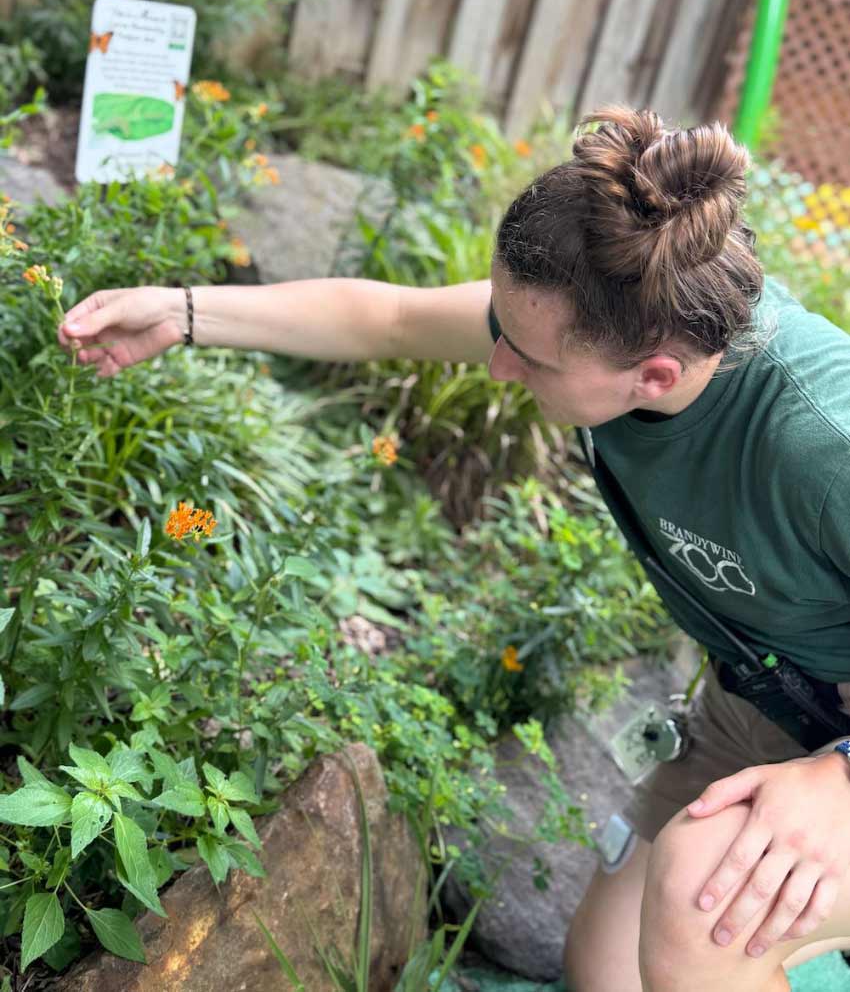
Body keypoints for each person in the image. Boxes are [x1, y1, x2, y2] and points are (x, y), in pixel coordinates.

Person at [57, 106, 850, 992]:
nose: (499, 365)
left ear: (654, 373)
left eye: (530, 359)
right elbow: (388, 320)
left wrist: (839, 781)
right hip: (765, 705)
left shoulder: (823, 439)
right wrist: (182, 310)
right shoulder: (617, 314)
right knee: (607, 968)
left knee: (704, 912)